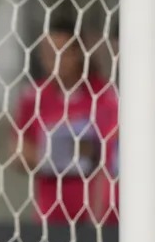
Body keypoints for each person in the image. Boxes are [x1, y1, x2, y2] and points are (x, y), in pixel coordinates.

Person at [13, 16, 119, 224]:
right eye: (48, 54)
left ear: (79, 53)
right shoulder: (33, 97)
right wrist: (56, 156)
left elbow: (114, 149)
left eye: (62, 53)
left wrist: (92, 152)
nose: (55, 61)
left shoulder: (105, 95)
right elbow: (18, 151)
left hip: (99, 215)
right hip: (50, 214)